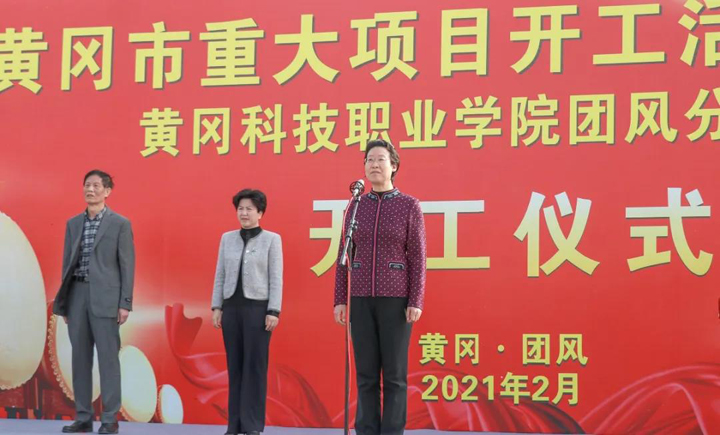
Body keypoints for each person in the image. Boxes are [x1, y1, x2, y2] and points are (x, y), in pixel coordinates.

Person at [334, 139, 427, 435]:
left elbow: (418, 256)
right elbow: (344, 254)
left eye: (380, 159)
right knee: (366, 375)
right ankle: (366, 430)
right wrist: (340, 298)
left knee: (395, 376)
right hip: (360, 297)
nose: (374, 164)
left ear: (394, 166)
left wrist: (416, 299)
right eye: (369, 160)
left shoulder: (408, 205)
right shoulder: (355, 205)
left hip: (396, 299)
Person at [52, 170, 135, 434]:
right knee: (79, 359)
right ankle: (83, 417)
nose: (90, 190)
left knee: (108, 360)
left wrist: (125, 302)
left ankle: (110, 419)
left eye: (96, 186)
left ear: (107, 191)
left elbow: (127, 265)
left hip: (107, 299)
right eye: (87, 185)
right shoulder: (73, 223)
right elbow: (67, 264)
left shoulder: (120, 224)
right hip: (77, 295)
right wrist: (65, 302)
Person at [211, 189, 283, 435]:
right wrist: (217, 306)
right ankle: (234, 425)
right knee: (235, 366)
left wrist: (274, 310)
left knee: (255, 367)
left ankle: (252, 425)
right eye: (240, 208)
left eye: (249, 209)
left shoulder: (272, 240)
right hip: (231, 308)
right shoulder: (227, 239)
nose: (244, 213)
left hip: (258, 310)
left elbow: (276, 278)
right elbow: (220, 274)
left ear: (260, 213)